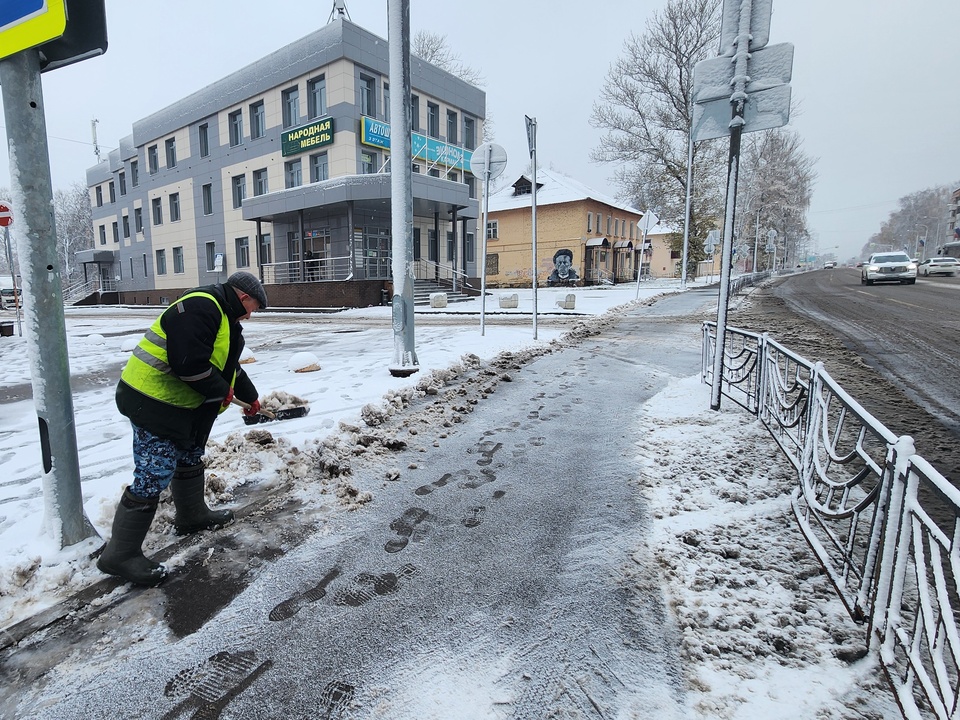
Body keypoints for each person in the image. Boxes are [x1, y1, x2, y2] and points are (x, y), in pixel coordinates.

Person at [97, 271, 268, 586]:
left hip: (179, 406)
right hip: (152, 401)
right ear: (243, 297)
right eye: (254, 307)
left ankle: (192, 515)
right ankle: (119, 554)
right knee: (155, 471)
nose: (251, 314)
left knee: (190, 453)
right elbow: (187, 361)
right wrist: (221, 390)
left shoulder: (224, 317)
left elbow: (228, 366)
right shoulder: (202, 306)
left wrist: (250, 396)